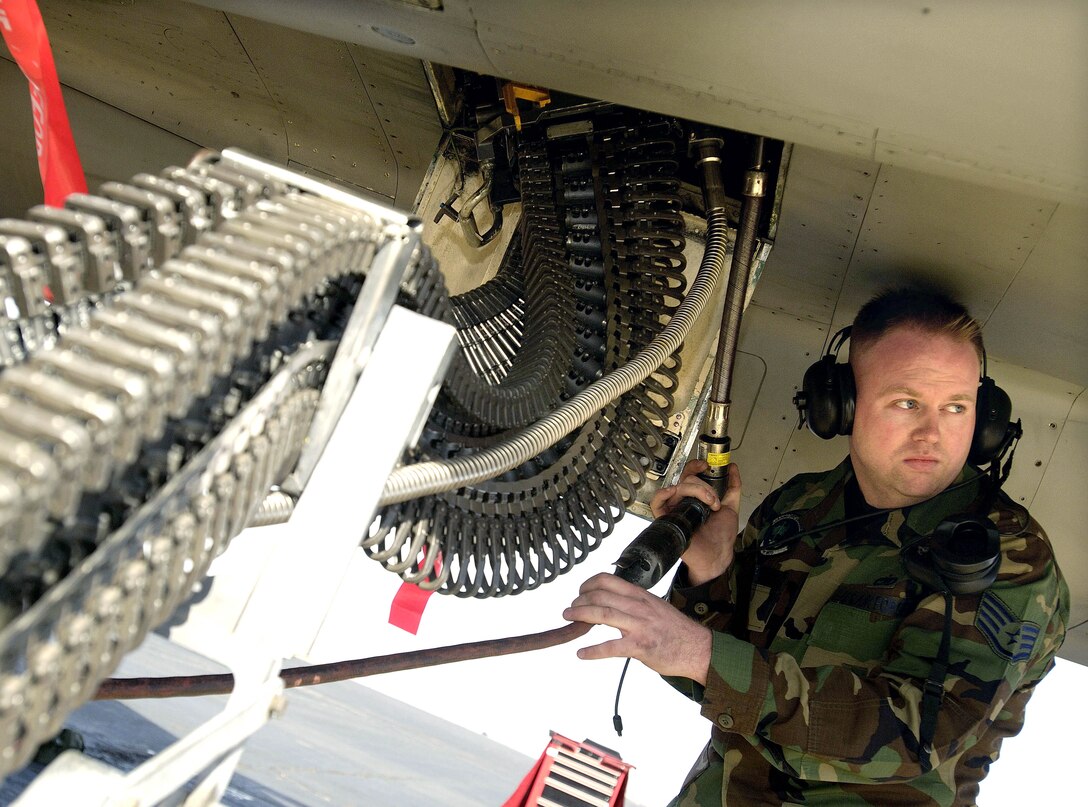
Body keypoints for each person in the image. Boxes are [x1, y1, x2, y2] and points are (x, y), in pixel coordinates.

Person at [563, 288, 1068, 806]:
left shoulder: (1004, 553)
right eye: (907, 403)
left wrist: (703, 655)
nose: (932, 434)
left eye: (956, 407)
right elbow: (712, 681)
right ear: (842, 406)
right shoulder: (799, 507)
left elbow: (918, 734)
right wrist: (709, 571)